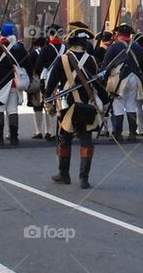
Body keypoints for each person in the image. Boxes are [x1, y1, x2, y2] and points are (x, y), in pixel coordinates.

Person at [45, 26, 107, 187]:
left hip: (68, 106)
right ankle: (84, 179)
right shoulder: (92, 60)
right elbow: (99, 86)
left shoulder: (63, 59)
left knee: (64, 140)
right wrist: (105, 102)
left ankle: (64, 174)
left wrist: (48, 101)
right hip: (87, 105)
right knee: (86, 141)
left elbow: (51, 84)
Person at [0, 22, 29, 145]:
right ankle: (14, 137)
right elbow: (28, 65)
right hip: (13, 83)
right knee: (13, 110)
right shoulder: (19, 48)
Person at [101, 23, 143, 141]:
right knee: (131, 105)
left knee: (118, 106)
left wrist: (105, 80)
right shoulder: (136, 47)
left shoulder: (113, 47)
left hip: (119, 79)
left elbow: (106, 66)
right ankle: (132, 134)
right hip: (134, 78)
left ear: (118, 34)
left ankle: (118, 133)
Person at [33, 24, 67, 141]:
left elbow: (38, 66)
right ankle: (62, 130)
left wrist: (38, 74)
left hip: (47, 80)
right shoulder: (65, 48)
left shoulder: (46, 49)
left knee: (48, 104)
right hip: (64, 79)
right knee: (62, 105)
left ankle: (49, 131)